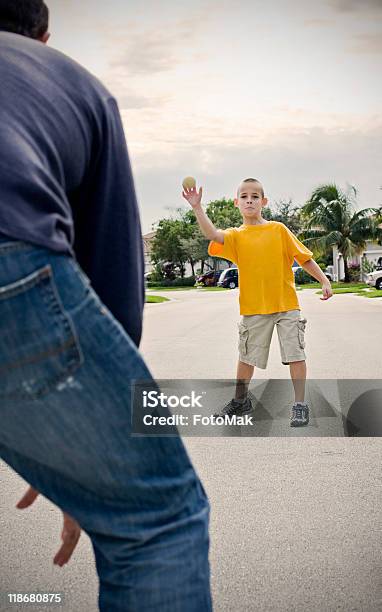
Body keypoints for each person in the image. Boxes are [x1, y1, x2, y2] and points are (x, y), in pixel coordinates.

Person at [0, 2, 212, 610]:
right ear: (42, 35)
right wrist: (92, 449)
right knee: (155, 522)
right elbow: (114, 280)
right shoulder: (70, 81)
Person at [182, 177, 333, 427]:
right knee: (246, 358)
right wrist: (197, 207)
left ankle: (299, 405)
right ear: (236, 203)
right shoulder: (235, 236)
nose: (249, 200)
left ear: (263, 202)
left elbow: (303, 258)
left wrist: (324, 280)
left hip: (286, 305)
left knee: (296, 354)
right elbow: (213, 234)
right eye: (244, 196)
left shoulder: (279, 230)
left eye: (254, 196)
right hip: (254, 308)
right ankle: (240, 402)